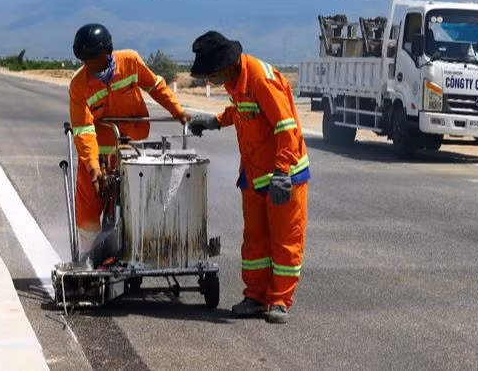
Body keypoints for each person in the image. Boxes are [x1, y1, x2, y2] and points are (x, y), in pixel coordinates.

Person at [188, 31, 310, 324]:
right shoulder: (236, 81)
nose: (210, 81)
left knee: (284, 241)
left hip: (284, 175)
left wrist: (282, 172)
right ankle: (255, 296)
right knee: (255, 242)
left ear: (226, 65)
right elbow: (243, 111)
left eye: (211, 75)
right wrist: (216, 121)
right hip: (254, 174)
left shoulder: (261, 79)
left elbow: (286, 128)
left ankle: (279, 300)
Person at [69, 23, 191, 266]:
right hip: (99, 151)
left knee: (137, 196)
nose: (88, 65)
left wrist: (177, 111)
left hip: (130, 146)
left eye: (92, 59)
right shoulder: (79, 84)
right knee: (87, 197)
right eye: (84, 60)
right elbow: (83, 130)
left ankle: (135, 244)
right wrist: (93, 165)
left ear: (107, 53)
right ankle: (89, 256)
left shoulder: (131, 62)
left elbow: (155, 86)